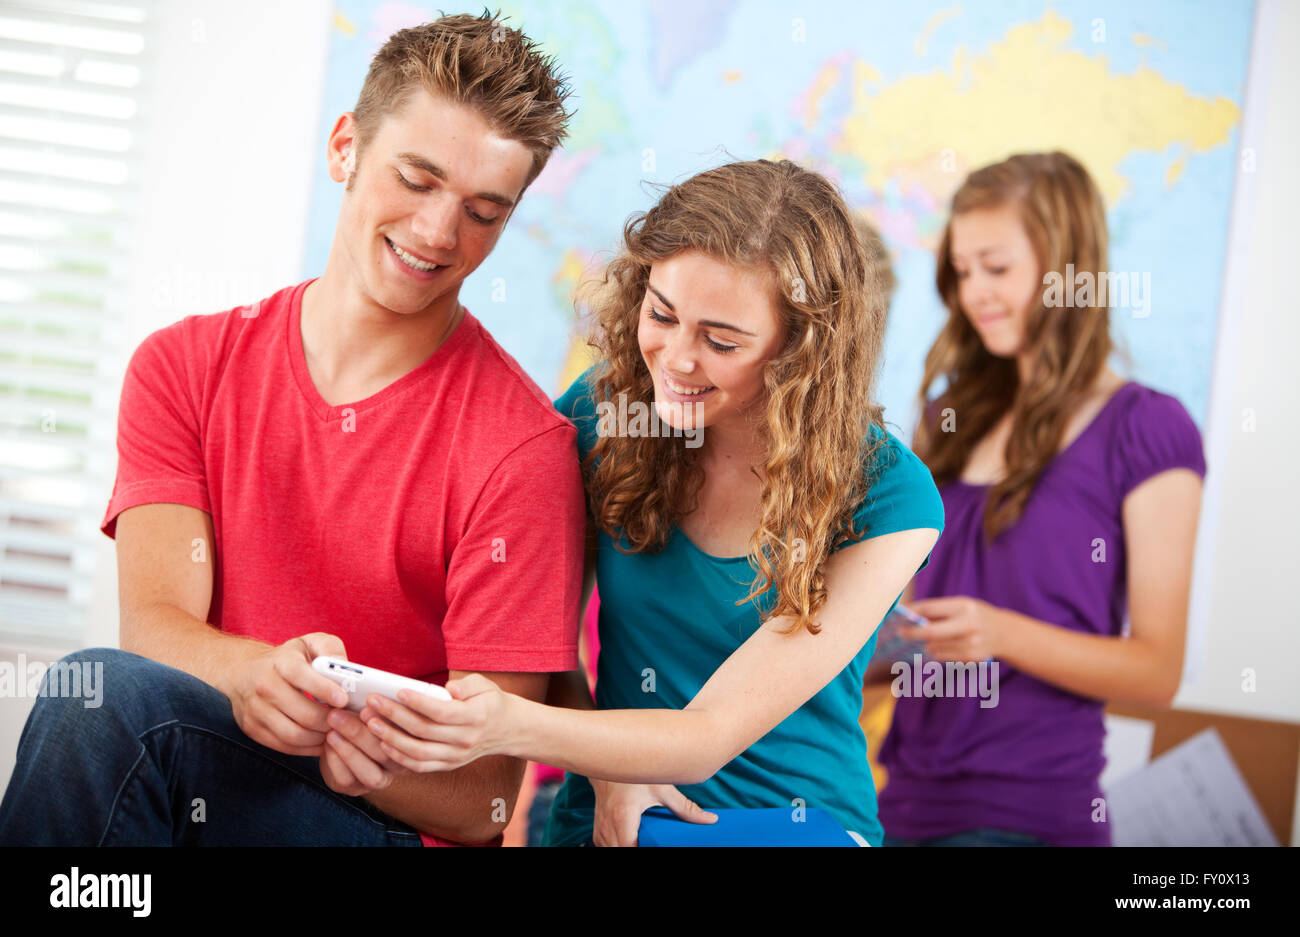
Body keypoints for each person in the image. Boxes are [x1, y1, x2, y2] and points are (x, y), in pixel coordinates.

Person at [0, 13, 584, 846]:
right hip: (197, 775)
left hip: (375, 828)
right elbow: (154, 632)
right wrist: (253, 674)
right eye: (415, 179)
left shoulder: (524, 449)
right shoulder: (183, 366)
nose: (437, 233)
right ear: (345, 147)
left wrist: (368, 749)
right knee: (94, 697)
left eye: (483, 212)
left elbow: (485, 798)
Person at [338, 158, 946, 847]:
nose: (677, 359)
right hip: (608, 820)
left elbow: (707, 735)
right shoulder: (603, 419)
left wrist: (505, 723)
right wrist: (606, 769)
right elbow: (544, 640)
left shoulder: (889, 494)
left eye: (721, 340)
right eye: (661, 313)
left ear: (800, 351)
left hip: (789, 827)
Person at [873, 151, 1206, 847]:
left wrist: (1001, 635)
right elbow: (915, 627)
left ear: (1066, 268)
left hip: (1030, 815)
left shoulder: (1146, 427)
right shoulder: (949, 420)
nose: (975, 294)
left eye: (997, 268)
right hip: (899, 802)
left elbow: (1157, 670)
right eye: (962, 273)